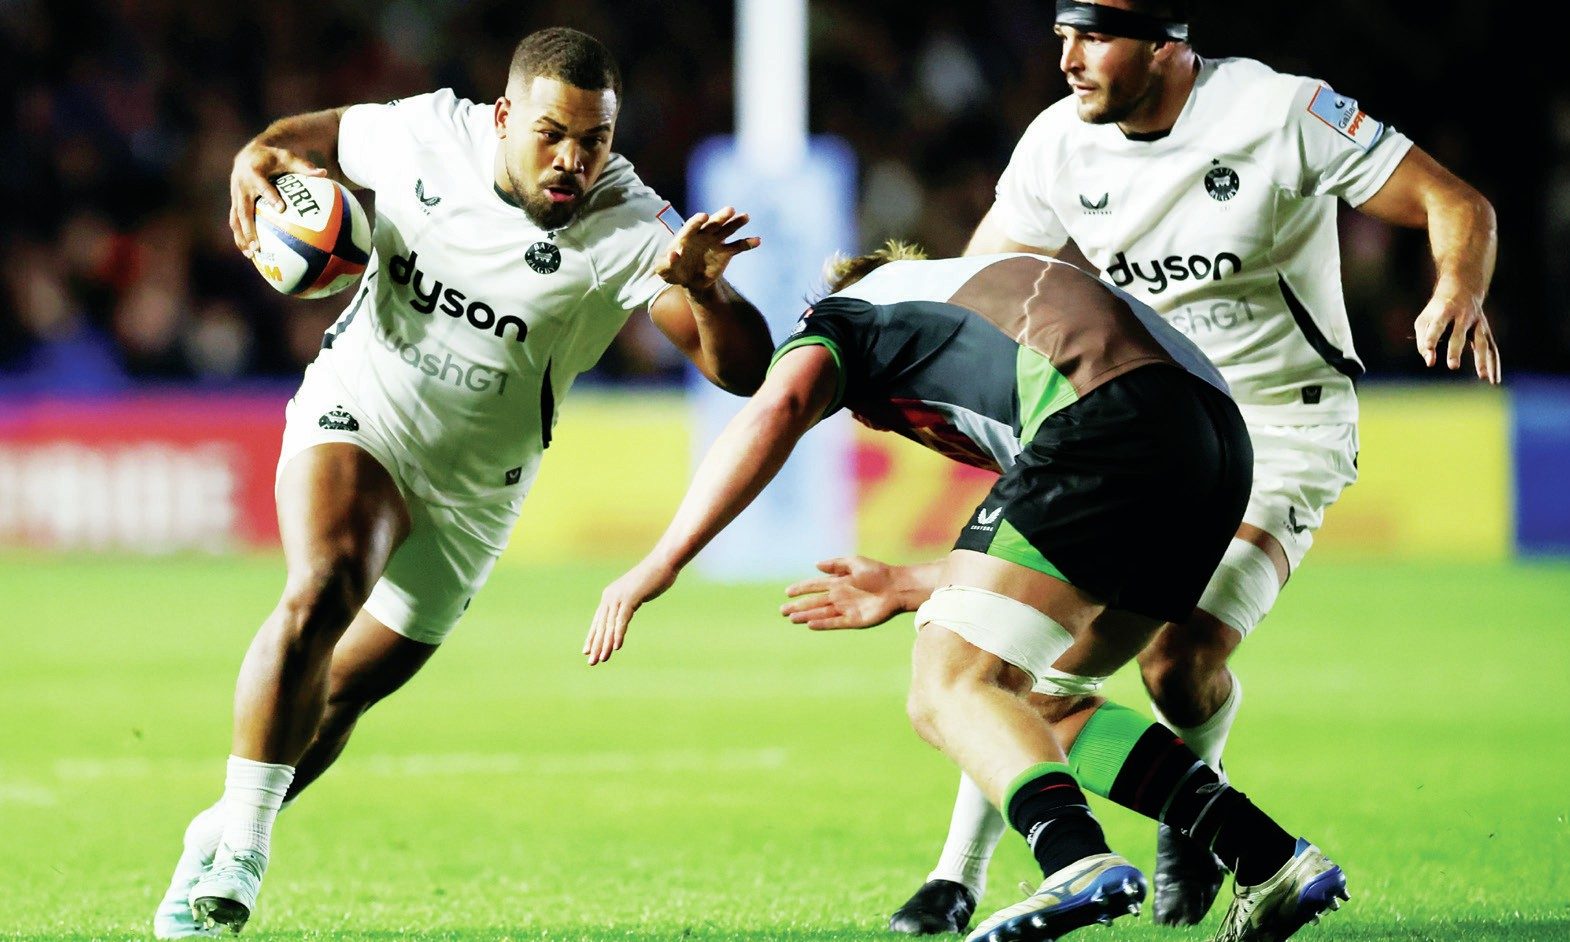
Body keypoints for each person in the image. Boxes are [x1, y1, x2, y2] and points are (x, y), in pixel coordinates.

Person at [830, 1, 1500, 933]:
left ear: (1166, 42)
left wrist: (1456, 287)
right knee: (1020, 657)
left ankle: (1197, 798)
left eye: (1094, 36)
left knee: (1176, 663)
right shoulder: (1057, 145)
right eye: (1060, 34)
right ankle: (959, 879)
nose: (1065, 58)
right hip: (1139, 434)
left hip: (1283, 429)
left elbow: (1455, 201)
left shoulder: (1278, 111)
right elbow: (980, 295)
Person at [152, 27, 774, 938]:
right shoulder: (426, 134)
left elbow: (743, 371)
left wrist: (709, 291)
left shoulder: (629, 225)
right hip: (362, 409)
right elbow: (309, 139)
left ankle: (218, 824)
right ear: (504, 115)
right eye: (552, 134)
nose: (573, 160)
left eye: (594, 139)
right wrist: (257, 157)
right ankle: (242, 851)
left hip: (479, 491)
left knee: (339, 698)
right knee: (325, 582)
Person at [585, 245, 1349, 942]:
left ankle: (1074, 861)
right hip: (1215, 443)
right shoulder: (977, 316)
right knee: (1040, 693)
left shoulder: (847, 315)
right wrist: (911, 583)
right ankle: (1268, 857)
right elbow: (1039, 549)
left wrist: (661, 562)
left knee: (948, 686)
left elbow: (777, 405)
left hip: (1108, 420)